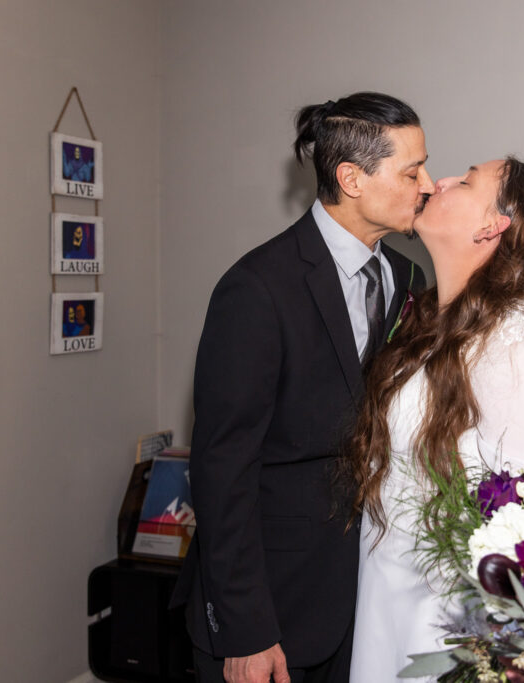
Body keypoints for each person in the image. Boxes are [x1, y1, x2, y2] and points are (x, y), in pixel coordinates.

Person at [170, 92, 433, 683]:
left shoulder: (408, 277)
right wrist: (246, 630)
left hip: (369, 602)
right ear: (352, 178)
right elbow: (223, 467)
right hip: (273, 607)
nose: (428, 184)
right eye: (412, 170)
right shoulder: (257, 289)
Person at [347, 157, 524, 681]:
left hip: (447, 620)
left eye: (467, 181)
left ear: (492, 225)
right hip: (383, 594)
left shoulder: (519, 345)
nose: (439, 181)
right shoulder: (420, 321)